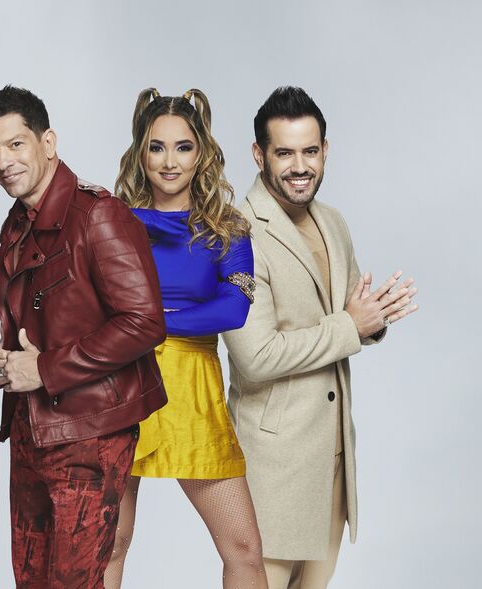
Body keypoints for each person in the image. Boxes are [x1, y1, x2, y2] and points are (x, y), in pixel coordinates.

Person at [222, 86, 418, 589]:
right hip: (274, 463)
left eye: (310, 151)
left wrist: (376, 319)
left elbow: (349, 318)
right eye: (284, 153)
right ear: (259, 154)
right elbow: (256, 356)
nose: (299, 166)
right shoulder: (235, 235)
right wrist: (352, 326)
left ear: (325, 150)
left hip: (333, 459)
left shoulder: (332, 221)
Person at [0, 85, 168, 589]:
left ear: (48, 142)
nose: (3, 162)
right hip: (30, 429)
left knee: (73, 584)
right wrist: (5, 360)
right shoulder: (15, 226)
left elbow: (144, 321)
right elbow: (40, 324)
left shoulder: (98, 215)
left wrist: (43, 368)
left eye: (15, 144)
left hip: (90, 432)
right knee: (32, 580)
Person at [104, 88, 268, 588]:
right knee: (110, 543)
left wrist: (148, 319)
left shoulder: (227, 229)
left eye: (183, 147)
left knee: (244, 551)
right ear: (140, 153)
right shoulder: (112, 222)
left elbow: (234, 308)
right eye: (157, 147)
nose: (169, 161)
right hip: (122, 384)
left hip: (193, 391)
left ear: (202, 154)